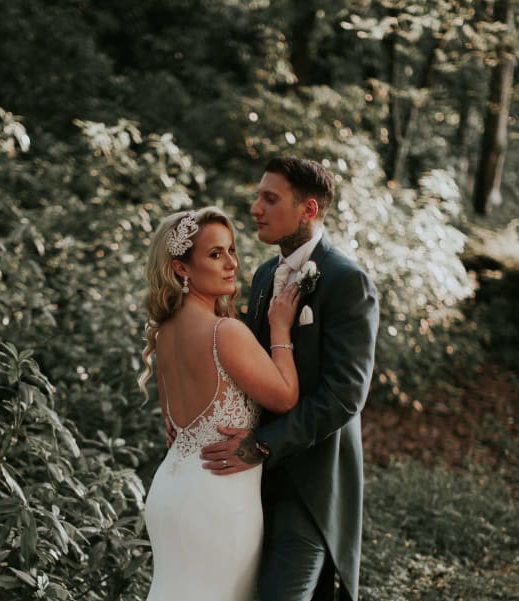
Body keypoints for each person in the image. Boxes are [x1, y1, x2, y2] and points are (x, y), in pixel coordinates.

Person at [200, 157, 379, 601]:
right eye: (258, 195)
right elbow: (252, 372)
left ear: (309, 209)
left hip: (312, 484)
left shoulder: (346, 280)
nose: (255, 207)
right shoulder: (263, 276)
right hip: (255, 480)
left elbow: (344, 396)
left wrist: (262, 444)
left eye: (270, 198)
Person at [139, 206, 303, 601]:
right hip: (218, 496)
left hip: (169, 493)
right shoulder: (224, 332)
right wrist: (281, 329)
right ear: (181, 268)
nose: (232, 263)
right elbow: (284, 397)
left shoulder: (163, 334)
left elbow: (173, 428)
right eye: (215, 254)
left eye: (231, 250)